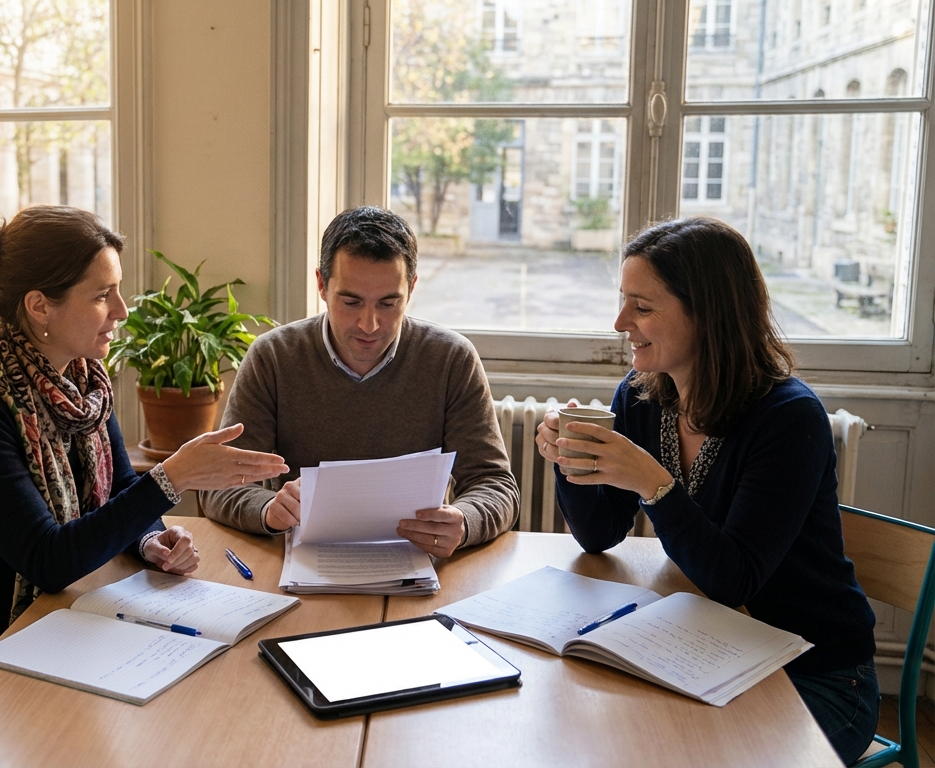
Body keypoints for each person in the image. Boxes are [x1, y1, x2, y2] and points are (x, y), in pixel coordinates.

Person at [0, 206, 289, 738]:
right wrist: (171, 479)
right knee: (78, 741)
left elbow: (116, 491)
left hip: (41, 631)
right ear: (39, 307)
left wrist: (149, 541)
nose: (121, 310)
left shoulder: (83, 387)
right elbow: (48, 559)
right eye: (101, 295)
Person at [534, 217, 877, 764]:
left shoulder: (789, 419)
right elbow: (598, 535)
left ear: (707, 316)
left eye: (642, 307)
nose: (621, 322)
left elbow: (731, 578)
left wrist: (652, 481)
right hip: (711, 651)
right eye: (623, 301)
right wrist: (569, 459)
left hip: (816, 675)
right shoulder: (644, 394)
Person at [200, 206, 518, 556]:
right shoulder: (273, 357)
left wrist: (464, 520)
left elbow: (495, 485)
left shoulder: (450, 359)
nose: (369, 324)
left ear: (411, 288)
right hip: (304, 562)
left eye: (388, 303)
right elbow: (220, 485)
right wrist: (267, 509)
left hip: (415, 563)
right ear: (321, 284)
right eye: (351, 302)